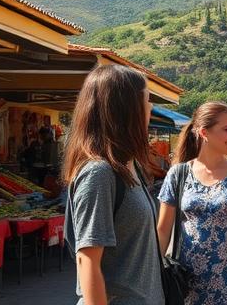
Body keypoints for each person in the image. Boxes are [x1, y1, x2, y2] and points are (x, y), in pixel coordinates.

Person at [63, 65, 163, 305]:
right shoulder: (99, 174)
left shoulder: (130, 166)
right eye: (146, 100)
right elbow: (87, 262)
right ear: (125, 109)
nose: (150, 108)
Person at [158, 102, 227, 305]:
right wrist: (153, 277)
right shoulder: (178, 174)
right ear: (204, 132)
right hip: (185, 285)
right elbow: (162, 230)